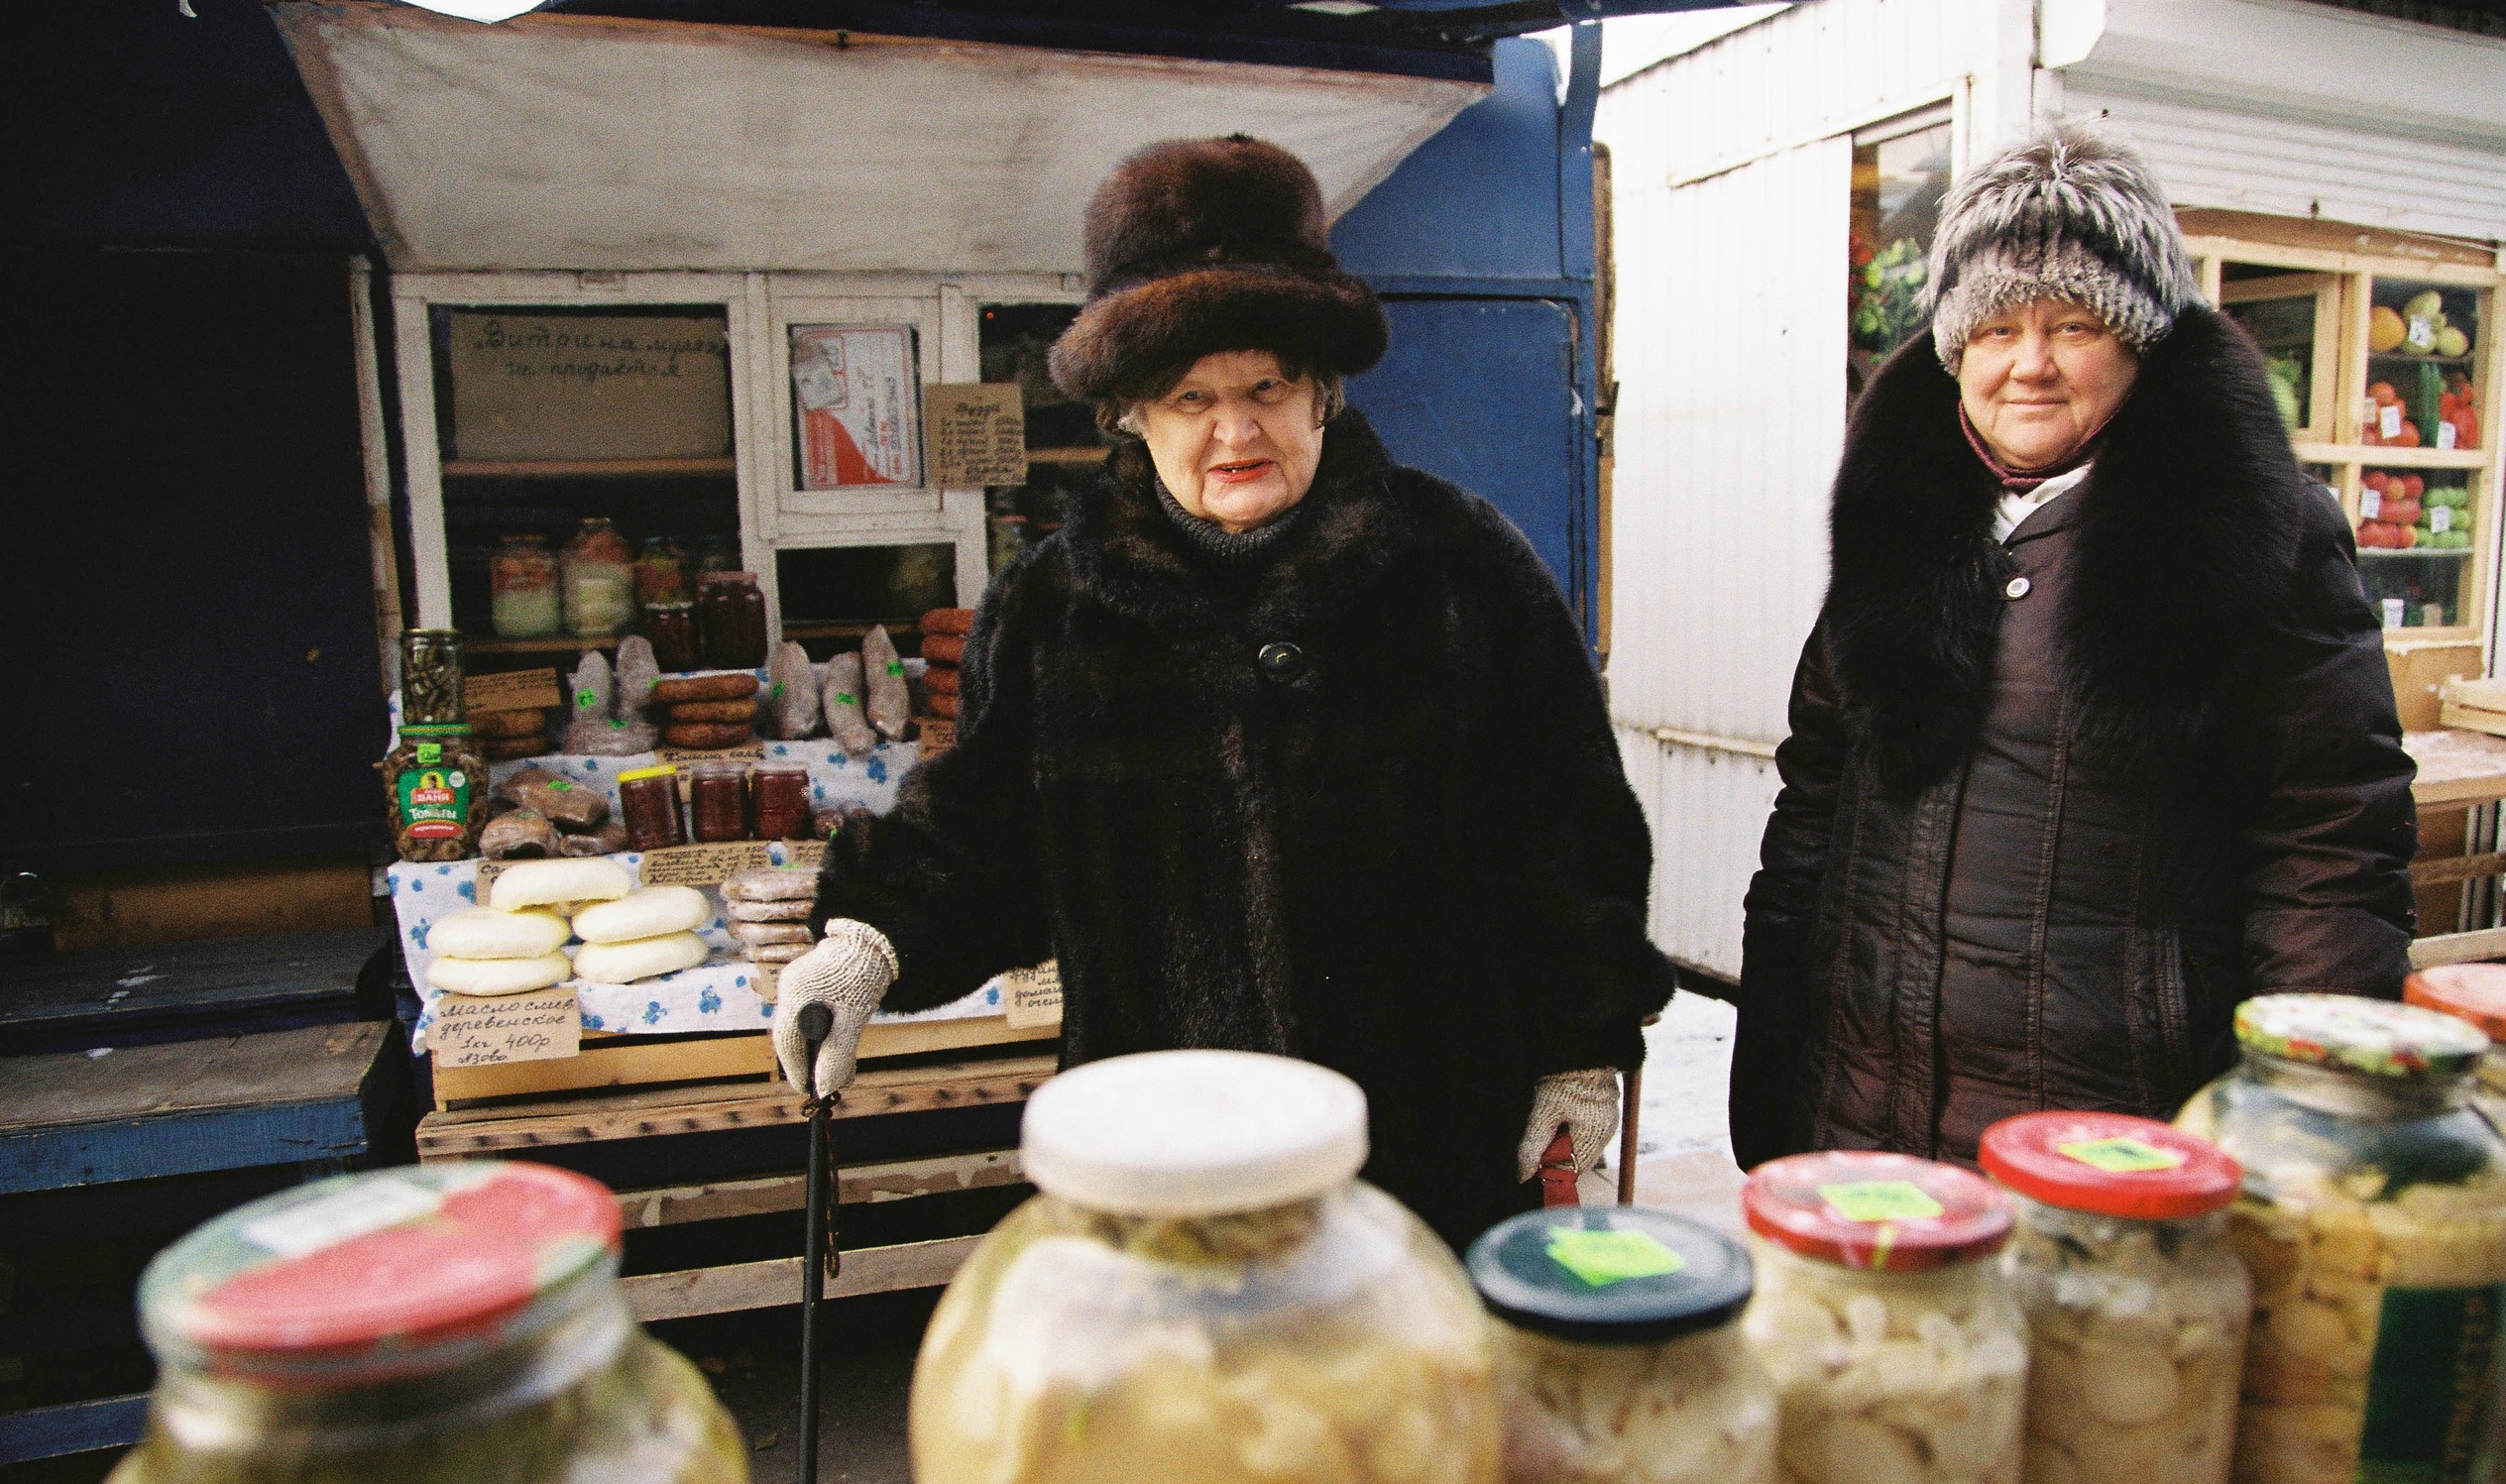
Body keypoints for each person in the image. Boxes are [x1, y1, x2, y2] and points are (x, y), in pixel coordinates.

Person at [775, 135, 1671, 1248]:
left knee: (1415, 1416)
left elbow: (1566, 829)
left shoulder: (1459, 565)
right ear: (1129, 414)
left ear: (1322, 395)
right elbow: (986, 834)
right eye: (1189, 395)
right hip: (1166, 1154)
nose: (1234, 430)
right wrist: (868, 940)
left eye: (1266, 386)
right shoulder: (1056, 606)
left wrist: (1580, 1044)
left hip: (1426, 1146)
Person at [1730, 119, 2416, 1170]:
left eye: (2074, 325)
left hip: (2114, 1141)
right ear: (1957, 345)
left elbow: (2330, 840)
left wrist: (2304, 1122)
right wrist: (1774, 1062)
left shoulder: (2249, 528)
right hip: (1863, 1113)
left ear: (2138, 339)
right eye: (1997, 327)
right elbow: (1815, 795)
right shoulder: (1898, 512)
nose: (2030, 365)